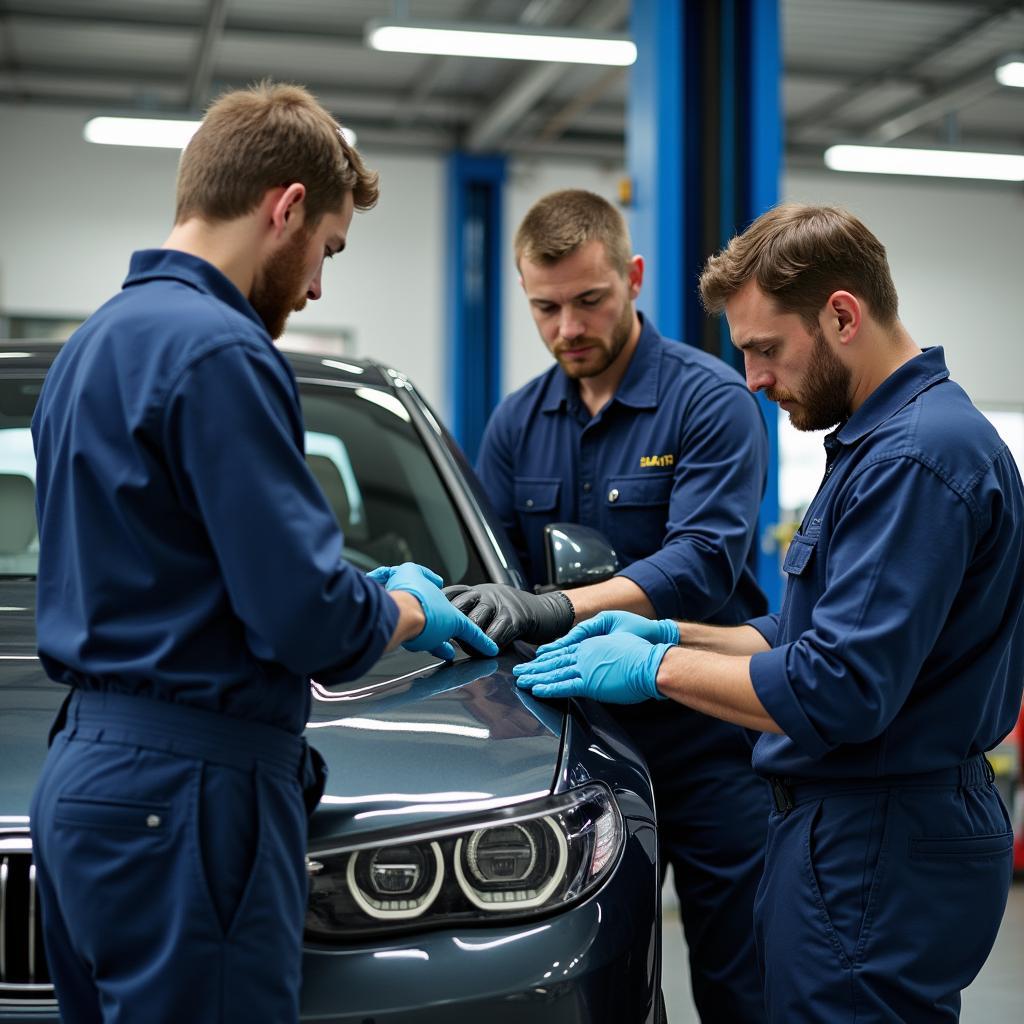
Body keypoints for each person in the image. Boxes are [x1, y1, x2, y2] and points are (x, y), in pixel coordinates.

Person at [29, 81, 497, 1024]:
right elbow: (308, 622)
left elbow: (182, 560)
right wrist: (404, 603)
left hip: (83, 777)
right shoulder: (222, 352)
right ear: (284, 208)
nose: (319, 283)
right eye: (326, 248)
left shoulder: (90, 347)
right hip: (191, 794)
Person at [514, 203, 1024, 1022]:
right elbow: (806, 634)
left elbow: (838, 686)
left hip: (877, 839)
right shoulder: (880, 443)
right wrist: (673, 630)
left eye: (764, 349)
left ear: (843, 315)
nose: (752, 379)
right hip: (851, 829)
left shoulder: (917, 458)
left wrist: (656, 669)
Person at [447, 189, 771, 1021]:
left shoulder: (709, 401)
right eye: (545, 308)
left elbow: (702, 562)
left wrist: (555, 607)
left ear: (631, 278)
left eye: (589, 301)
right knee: (596, 978)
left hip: (707, 737)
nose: (567, 329)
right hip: (577, 744)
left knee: (745, 977)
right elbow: (495, 571)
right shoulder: (517, 422)